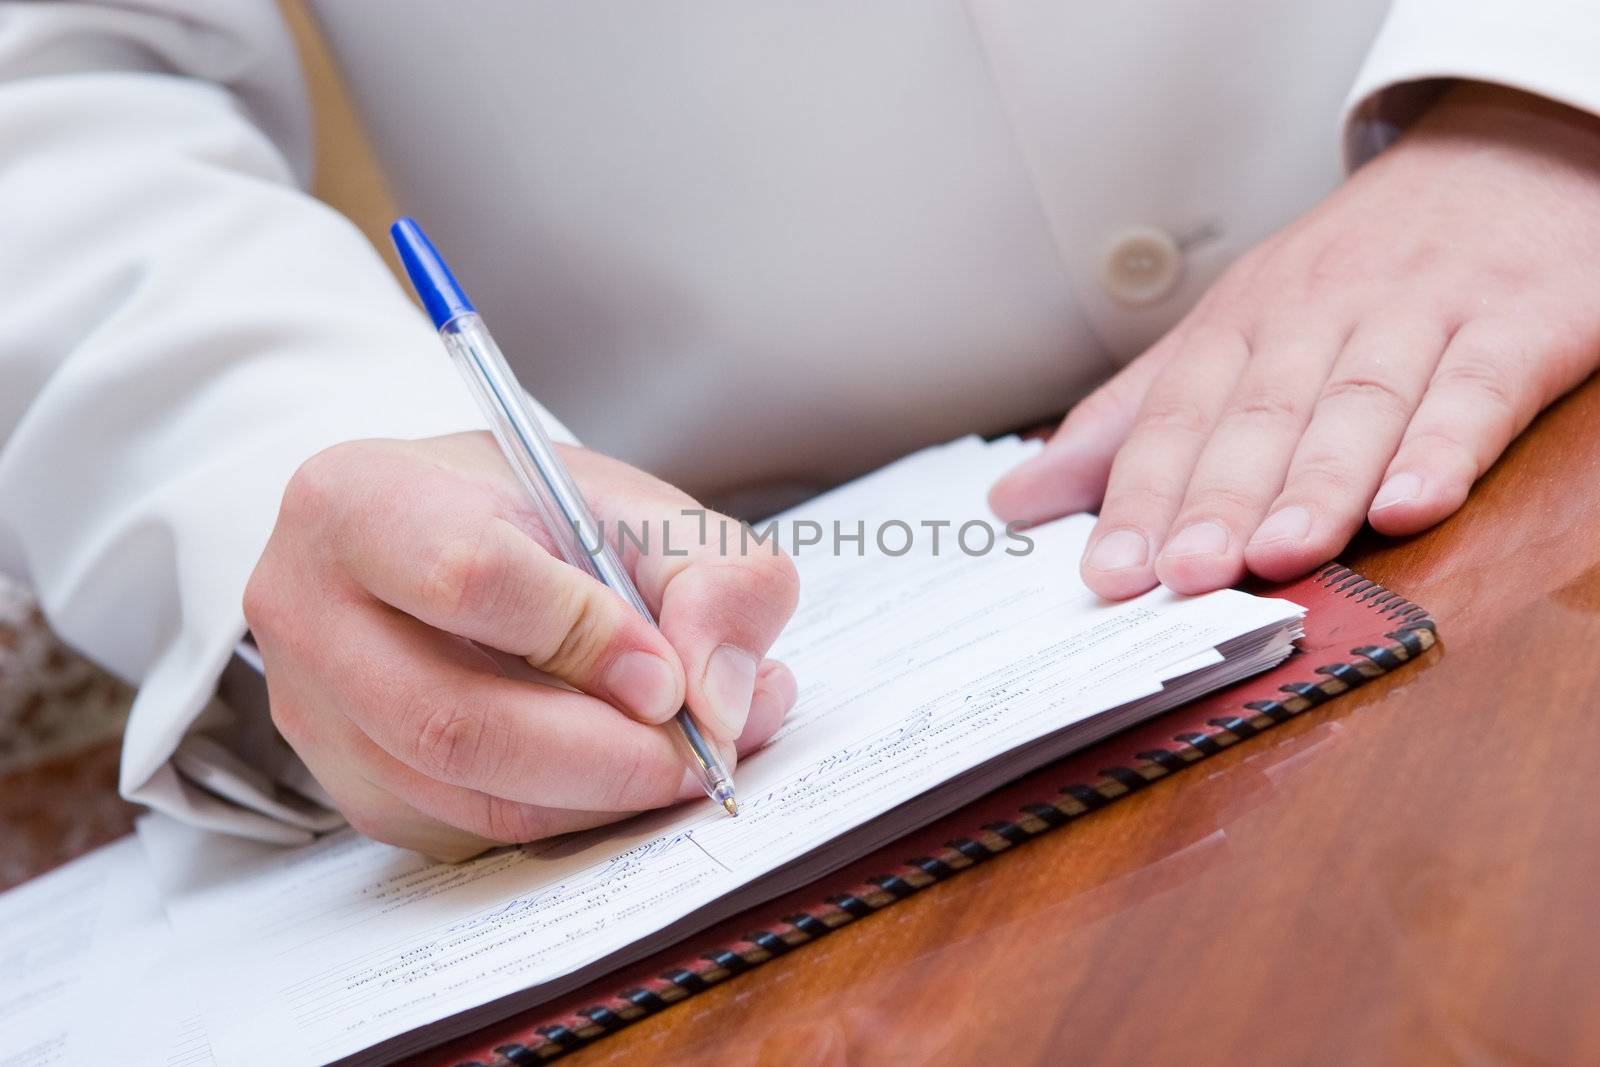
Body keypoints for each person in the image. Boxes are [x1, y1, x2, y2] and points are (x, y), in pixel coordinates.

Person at [2, 1, 1597, 858]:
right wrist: (301, 447)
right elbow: (53, 87)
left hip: (1538, 318)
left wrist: (1541, 108)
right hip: (774, 574)